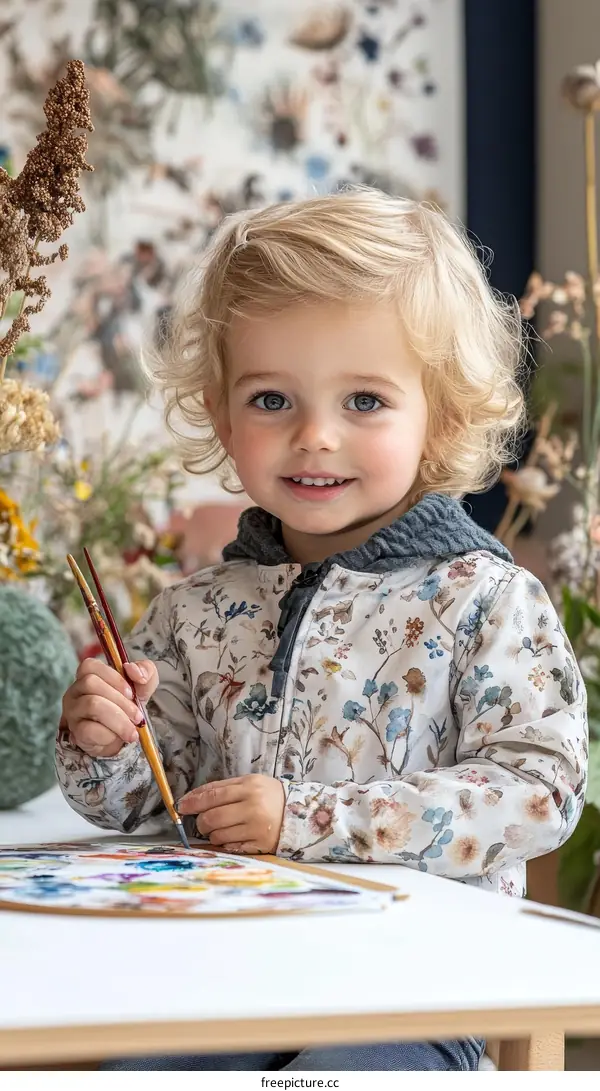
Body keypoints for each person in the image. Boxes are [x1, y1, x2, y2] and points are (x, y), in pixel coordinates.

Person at [56, 189, 587, 1072]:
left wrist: (304, 818)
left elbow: (540, 792)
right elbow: (154, 813)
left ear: (442, 417)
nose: (314, 435)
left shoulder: (487, 600)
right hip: (216, 988)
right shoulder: (193, 610)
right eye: (270, 398)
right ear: (222, 416)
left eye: (366, 401)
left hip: (413, 1000)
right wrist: (107, 744)